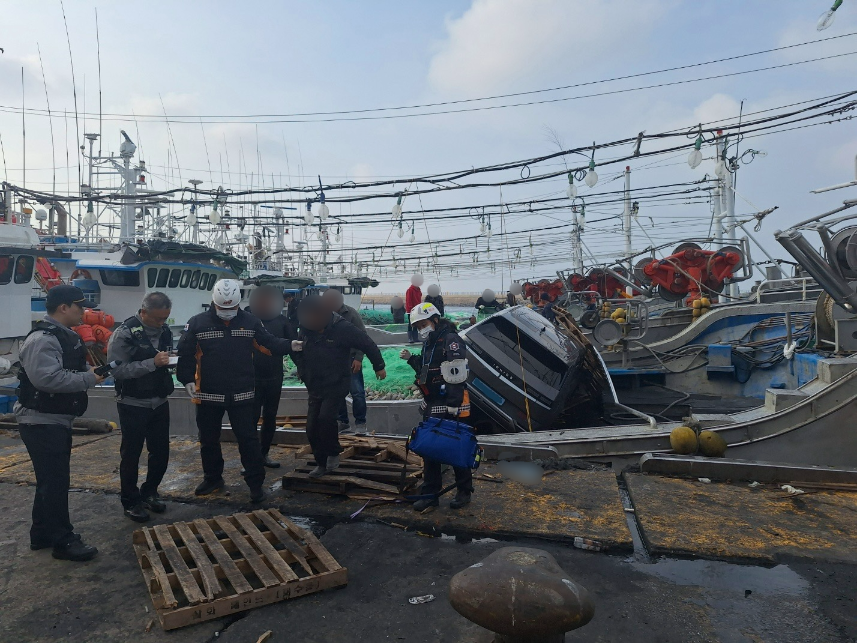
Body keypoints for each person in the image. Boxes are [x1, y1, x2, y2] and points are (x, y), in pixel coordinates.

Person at [177, 279, 299, 504]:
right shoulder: (197, 323)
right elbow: (185, 353)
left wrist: (290, 345)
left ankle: (255, 485)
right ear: (213, 302)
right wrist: (186, 380)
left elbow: (268, 343)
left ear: (238, 304)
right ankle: (212, 478)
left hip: (242, 394)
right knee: (208, 440)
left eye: (231, 308)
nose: (227, 312)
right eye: (223, 308)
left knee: (249, 440)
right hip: (208, 394)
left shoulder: (250, 321)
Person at [14, 285, 105, 561]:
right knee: (55, 482)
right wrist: (89, 378)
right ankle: (63, 541)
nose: (83, 312)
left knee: (49, 481)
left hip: (52, 420)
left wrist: (87, 373)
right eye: (79, 306)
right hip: (42, 422)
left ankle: (41, 533)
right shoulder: (43, 339)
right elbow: (47, 380)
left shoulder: (59, 336)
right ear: (64, 308)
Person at [292, 297, 386, 478]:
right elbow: (300, 350)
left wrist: (379, 366)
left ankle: (333, 453)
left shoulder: (342, 328)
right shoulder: (306, 327)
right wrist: (302, 370)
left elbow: (367, 343)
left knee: (326, 418)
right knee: (311, 427)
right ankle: (321, 463)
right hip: (315, 384)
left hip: (337, 382)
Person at [107, 291, 175, 523]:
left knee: (161, 451)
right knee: (131, 454)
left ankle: (150, 491)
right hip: (132, 403)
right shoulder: (123, 334)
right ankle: (131, 500)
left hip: (159, 401)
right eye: (157, 319)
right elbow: (117, 370)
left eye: (165, 319)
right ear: (143, 312)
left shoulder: (165, 331)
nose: (161, 324)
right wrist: (151, 364)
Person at [399, 302, 473, 511]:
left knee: (456, 446)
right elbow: (425, 370)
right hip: (433, 401)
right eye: (418, 326)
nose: (421, 329)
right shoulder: (429, 343)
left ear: (435, 320)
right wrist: (411, 360)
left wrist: (453, 404)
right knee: (430, 447)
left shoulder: (451, 340)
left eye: (423, 324)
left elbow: (457, 374)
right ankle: (430, 494)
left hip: (452, 402)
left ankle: (464, 490)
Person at [248, 285, 297, 468]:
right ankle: (250, 457)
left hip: (274, 377)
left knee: (270, 416)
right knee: (250, 418)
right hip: (250, 378)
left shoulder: (283, 322)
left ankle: (264, 454)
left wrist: (303, 368)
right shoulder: (247, 318)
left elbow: (292, 346)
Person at [320, 289, 369, 434]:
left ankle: (361, 423)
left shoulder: (351, 314)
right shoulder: (322, 315)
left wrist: (358, 358)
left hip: (351, 360)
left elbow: (363, 337)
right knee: (337, 392)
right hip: (332, 362)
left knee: (357, 393)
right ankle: (343, 422)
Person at [405, 274, 424, 343]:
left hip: (417, 310)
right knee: (410, 324)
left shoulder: (418, 290)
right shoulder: (410, 290)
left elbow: (419, 300)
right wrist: (410, 309)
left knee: (416, 324)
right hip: (411, 311)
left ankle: (415, 338)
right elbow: (408, 300)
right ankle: (410, 338)